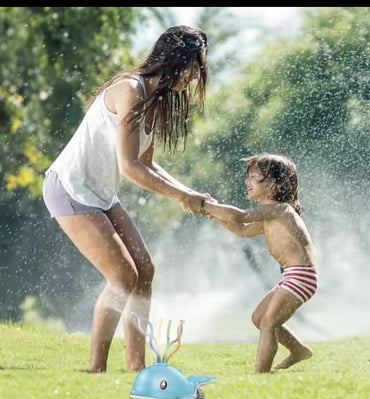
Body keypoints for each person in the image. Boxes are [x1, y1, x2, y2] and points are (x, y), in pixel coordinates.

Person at [42, 25, 209, 373]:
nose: (195, 76)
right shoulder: (131, 90)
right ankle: (96, 370)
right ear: (175, 59)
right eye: (194, 66)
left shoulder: (151, 102)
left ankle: (137, 367)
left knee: (144, 269)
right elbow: (130, 168)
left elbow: (147, 162)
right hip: (69, 187)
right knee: (121, 276)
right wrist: (181, 196)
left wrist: (188, 194)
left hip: (99, 193)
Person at [202, 153, 318, 374]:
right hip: (292, 276)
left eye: (254, 177)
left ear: (275, 184)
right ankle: (299, 350)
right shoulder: (269, 217)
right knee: (259, 318)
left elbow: (239, 216)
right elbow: (241, 230)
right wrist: (215, 214)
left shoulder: (282, 210)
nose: (247, 182)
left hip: (301, 277)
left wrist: (206, 206)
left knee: (268, 324)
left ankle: (260, 375)